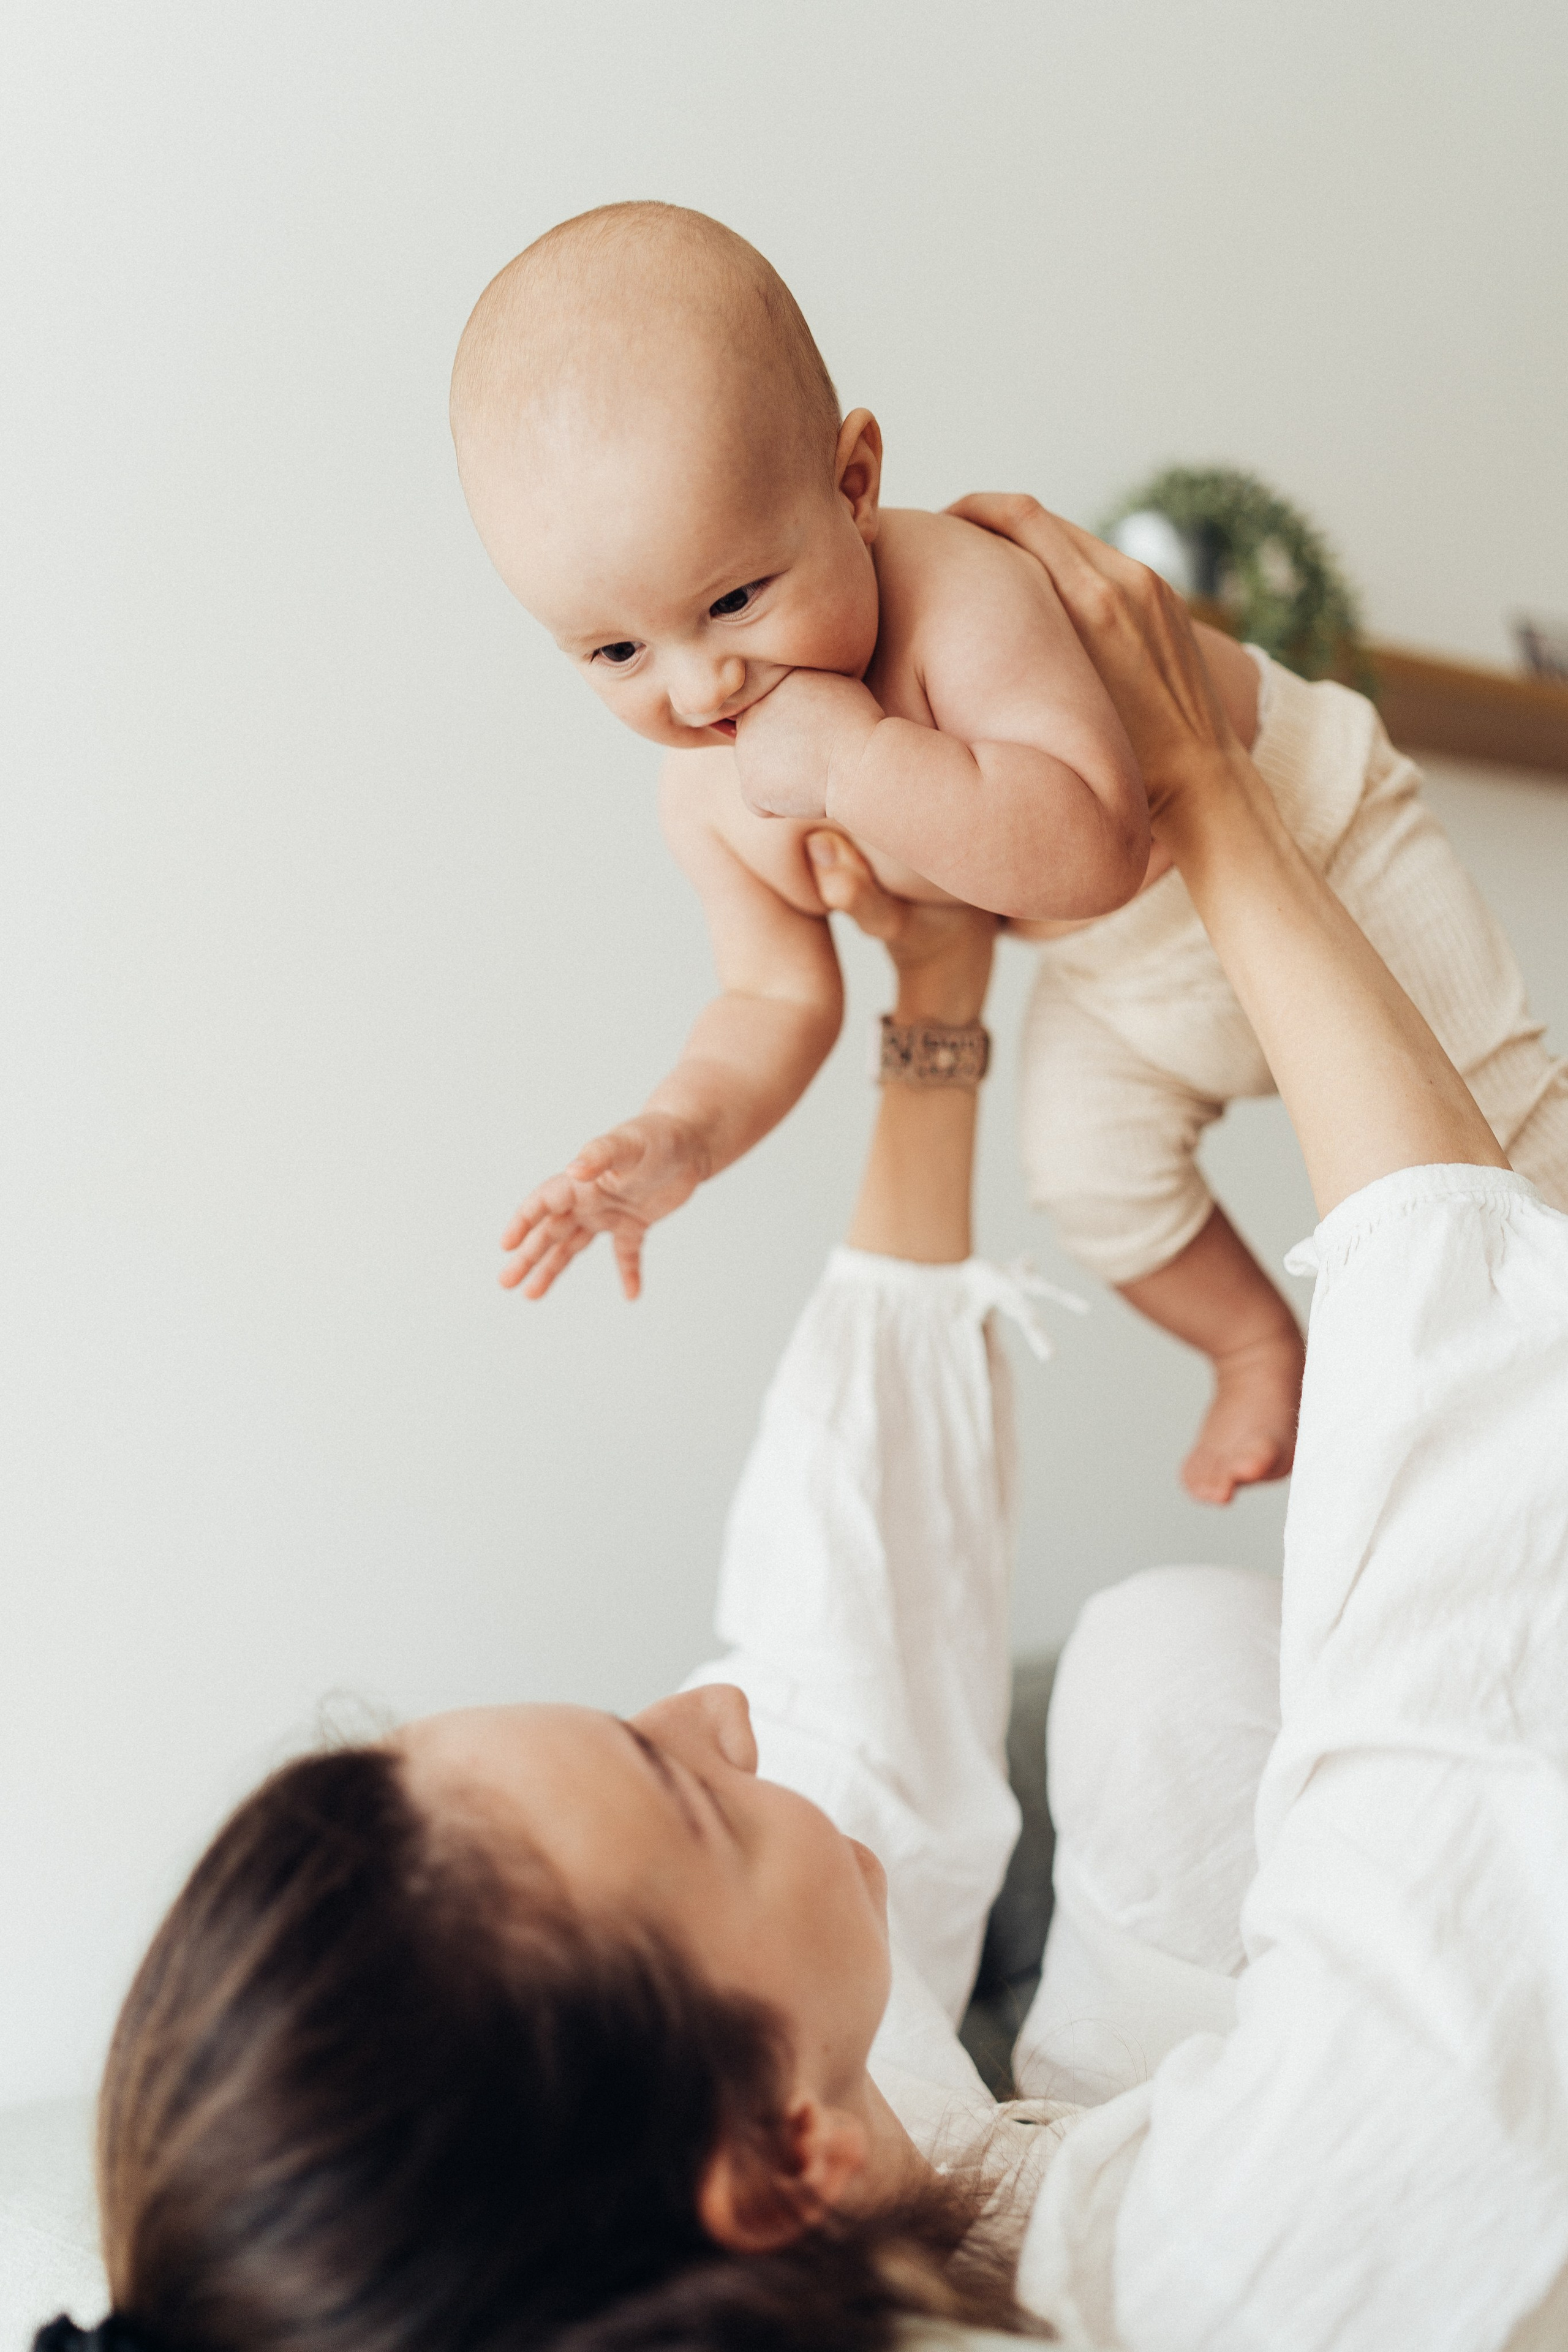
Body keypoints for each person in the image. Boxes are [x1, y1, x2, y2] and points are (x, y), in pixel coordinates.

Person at [43, 514, 1568, 2352]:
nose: (725, 1713)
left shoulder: (734, 2210)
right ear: (778, 2159)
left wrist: (934, 998)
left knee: (1158, 1661)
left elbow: (840, 1652)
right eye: (685, 1787)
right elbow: (1463, 1634)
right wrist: (1206, 793)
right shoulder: (1261, 2269)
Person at [450, 198, 1568, 1507]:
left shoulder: (953, 592)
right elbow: (772, 998)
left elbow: (1092, 844)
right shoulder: (707, 794)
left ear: (853, 484)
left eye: (734, 598)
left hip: (1313, 844)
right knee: (1085, 1175)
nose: (702, 687)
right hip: (1117, 975)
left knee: (1510, 1144)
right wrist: (682, 1134)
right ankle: (1254, 1344)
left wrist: (859, 763)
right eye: (616, 651)